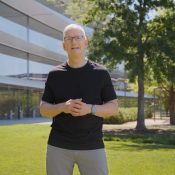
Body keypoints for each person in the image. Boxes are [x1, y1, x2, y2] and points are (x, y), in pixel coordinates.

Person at [40, 24, 118, 175]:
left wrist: (90, 109)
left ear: (86, 42)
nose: (74, 42)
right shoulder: (54, 74)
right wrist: (63, 107)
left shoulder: (101, 73)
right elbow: (44, 107)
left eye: (78, 38)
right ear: (64, 45)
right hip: (59, 146)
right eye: (69, 39)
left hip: (93, 146)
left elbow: (113, 107)